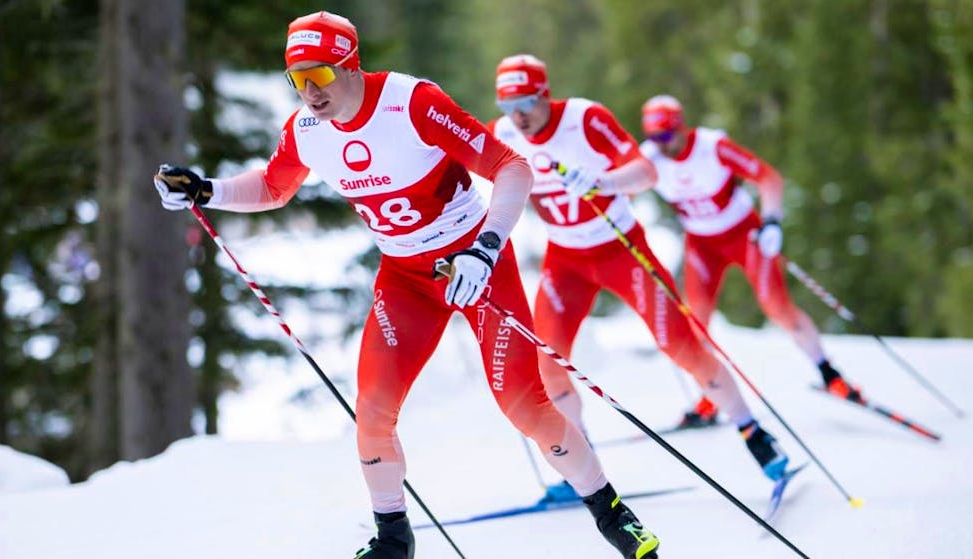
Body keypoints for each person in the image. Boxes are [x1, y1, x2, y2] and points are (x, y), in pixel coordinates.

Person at [153, 12, 659, 559]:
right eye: (297, 80)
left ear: (351, 66)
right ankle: (393, 539)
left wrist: (484, 250)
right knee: (371, 408)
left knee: (524, 405)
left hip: (474, 262)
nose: (310, 93)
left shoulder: (412, 103)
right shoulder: (306, 130)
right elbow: (274, 187)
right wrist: (207, 189)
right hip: (405, 277)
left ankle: (614, 516)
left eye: (319, 76)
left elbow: (512, 168)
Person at [489, 54, 791, 490]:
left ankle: (755, 434)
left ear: (544, 95)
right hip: (566, 260)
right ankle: (580, 464)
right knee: (548, 363)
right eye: (507, 106)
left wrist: (603, 181)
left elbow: (645, 171)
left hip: (619, 250)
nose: (517, 116)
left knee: (681, 345)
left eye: (526, 103)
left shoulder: (584, 118)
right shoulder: (502, 132)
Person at [639, 94, 864, 428]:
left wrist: (772, 220)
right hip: (701, 244)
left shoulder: (712, 146)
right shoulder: (649, 158)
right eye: (654, 138)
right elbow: (617, 187)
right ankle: (711, 397)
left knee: (777, 307)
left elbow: (769, 178)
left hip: (743, 233)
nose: (662, 145)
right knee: (696, 321)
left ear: (681, 128)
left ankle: (832, 376)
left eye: (667, 136)